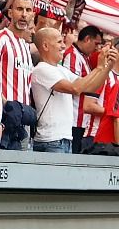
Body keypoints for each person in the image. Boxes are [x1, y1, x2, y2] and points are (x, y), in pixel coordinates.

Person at [29, 26, 115, 154]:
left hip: (64, 138)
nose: (63, 46)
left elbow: (90, 87)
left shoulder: (61, 70)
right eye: (59, 42)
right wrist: (98, 68)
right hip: (51, 140)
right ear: (45, 46)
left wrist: (106, 68)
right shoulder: (41, 69)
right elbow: (76, 88)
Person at [0, 0, 37, 150]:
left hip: (23, 120)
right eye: (19, 9)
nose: (24, 14)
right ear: (10, 13)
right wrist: (5, 113)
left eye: (28, 10)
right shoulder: (0, 39)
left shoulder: (25, 46)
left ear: (33, 14)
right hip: (5, 119)